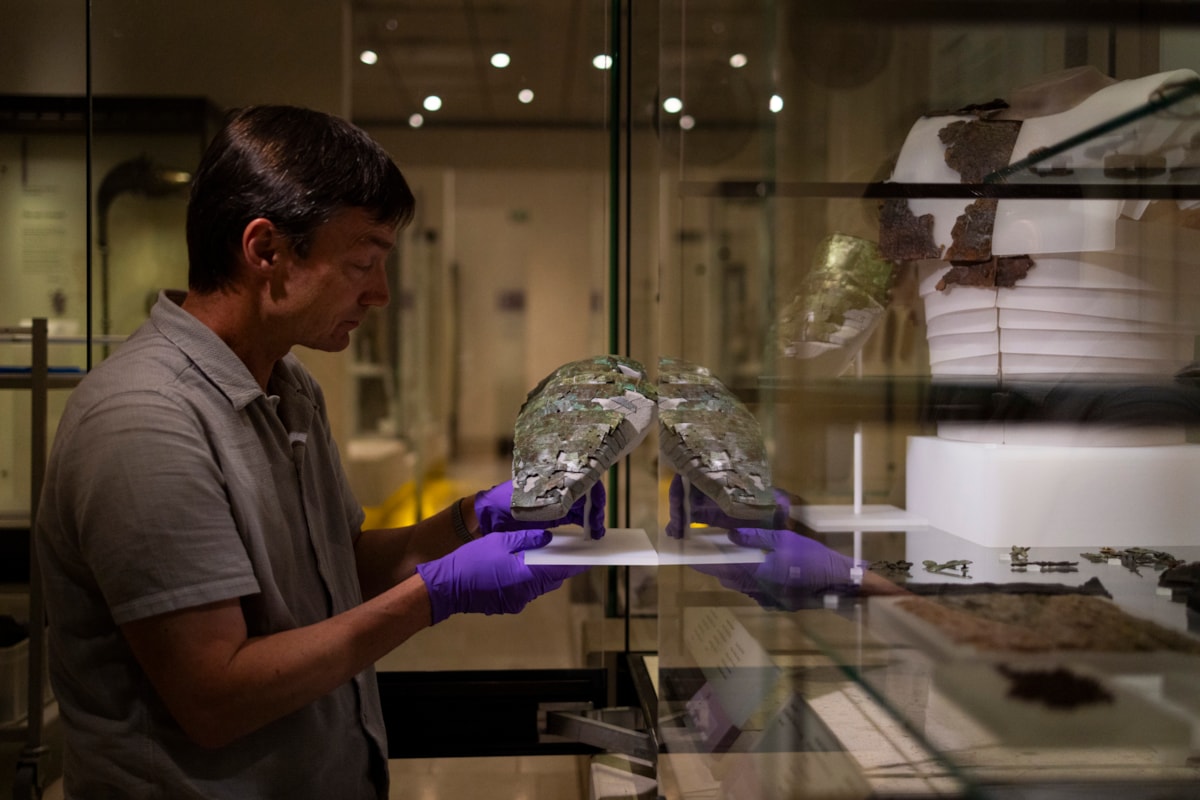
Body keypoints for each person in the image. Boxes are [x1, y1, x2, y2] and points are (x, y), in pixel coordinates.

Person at [35, 105, 603, 799]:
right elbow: (217, 696)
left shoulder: (287, 385)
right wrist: (438, 594)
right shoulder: (144, 423)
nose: (381, 294)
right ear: (266, 250)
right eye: (362, 262)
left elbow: (333, 571)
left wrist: (467, 523)